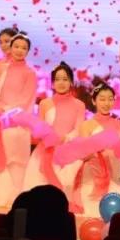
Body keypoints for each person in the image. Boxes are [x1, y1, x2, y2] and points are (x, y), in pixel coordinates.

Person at [0, 33, 37, 209]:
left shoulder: (29, 73)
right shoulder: (3, 68)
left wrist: (6, 110)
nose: (19, 50)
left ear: (28, 51)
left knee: (14, 160)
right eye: (16, 46)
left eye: (24, 48)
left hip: (16, 124)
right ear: (11, 48)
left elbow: (26, 100)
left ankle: (14, 198)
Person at [69, 83, 120, 216]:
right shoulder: (87, 125)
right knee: (92, 210)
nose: (106, 103)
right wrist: (99, 147)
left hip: (113, 176)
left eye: (110, 99)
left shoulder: (119, 124)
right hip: (92, 178)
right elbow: (84, 154)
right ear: (94, 101)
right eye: (102, 99)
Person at [25, 62, 86, 190]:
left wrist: (65, 138)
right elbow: (40, 128)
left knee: (65, 189)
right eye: (57, 79)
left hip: (68, 151)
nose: (61, 83)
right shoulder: (45, 103)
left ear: (71, 82)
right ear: (52, 83)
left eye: (65, 79)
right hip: (45, 151)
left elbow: (78, 129)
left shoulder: (79, 105)